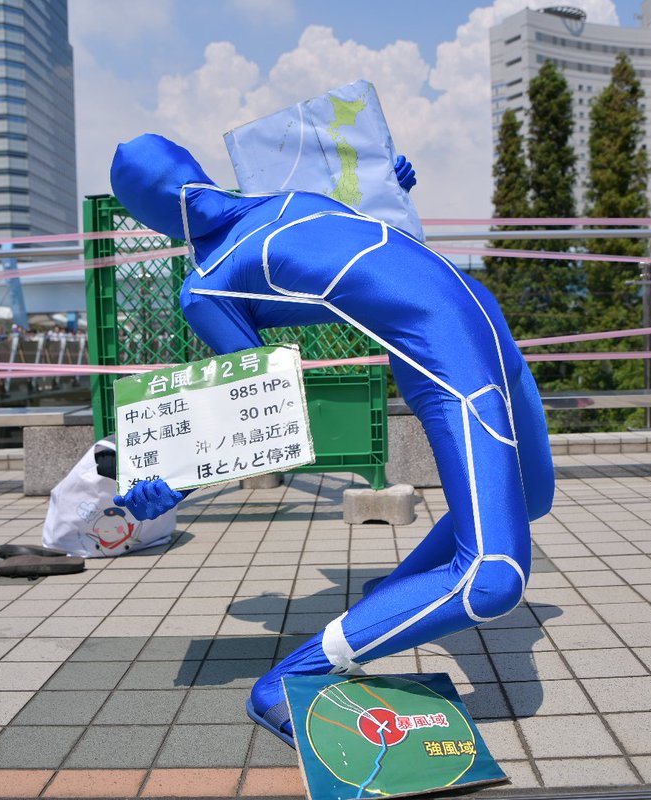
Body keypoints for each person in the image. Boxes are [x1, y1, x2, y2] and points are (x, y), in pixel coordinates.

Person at [110, 133, 555, 747]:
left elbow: (380, 244)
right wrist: (179, 479)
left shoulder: (288, 194)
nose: (185, 192)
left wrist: (386, 182)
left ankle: (397, 594)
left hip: (483, 315)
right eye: (167, 191)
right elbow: (261, 408)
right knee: (493, 578)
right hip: (443, 355)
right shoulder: (208, 285)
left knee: (531, 496)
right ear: (157, 212)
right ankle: (285, 684)